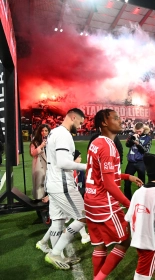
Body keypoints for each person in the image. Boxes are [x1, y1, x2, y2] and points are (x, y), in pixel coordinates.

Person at [85, 109, 143, 279]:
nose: (120, 121)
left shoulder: (96, 142)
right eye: (116, 118)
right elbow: (109, 185)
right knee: (124, 241)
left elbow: (100, 174)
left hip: (90, 200)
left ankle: (96, 276)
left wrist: (127, 176)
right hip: (105, 203)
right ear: (104, 122)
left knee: (100, 245)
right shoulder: (108, 146)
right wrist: (129, 204)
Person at [44, 108, 88, 269]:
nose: (81, 126)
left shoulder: (54, 132)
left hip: (52, 182)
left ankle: (59, 256)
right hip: (62, 184)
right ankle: (55, 252)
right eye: (80, 122)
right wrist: (87, 166)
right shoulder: (63, 134)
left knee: (58, 221)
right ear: (73, 117)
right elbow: (63, 162)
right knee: (83, 217)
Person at [124, 122, 152, 199]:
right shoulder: (132, 135)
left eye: (139, 131)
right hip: (131, 162)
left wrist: (138, 143)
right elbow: (127, 145)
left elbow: (146, 151)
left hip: (141, 162)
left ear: (143, 129)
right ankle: (127, 200)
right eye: (137, 131)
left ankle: (141, 199)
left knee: (141, 183)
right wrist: (131, 139)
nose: (138, 133)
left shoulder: (148, 138)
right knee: (127, 182)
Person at [30, 124, 50, 201]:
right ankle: (39, 200)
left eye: (46, 130)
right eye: (42, 130)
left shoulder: (51, 141)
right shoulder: (35, 142)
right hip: (39, 165)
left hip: (50, 166)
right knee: (39, 184)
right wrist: (41, 146)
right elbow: (33, 153)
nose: (44, 132)